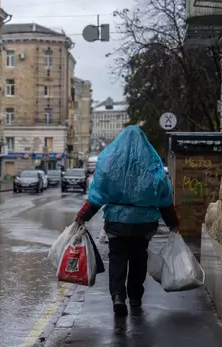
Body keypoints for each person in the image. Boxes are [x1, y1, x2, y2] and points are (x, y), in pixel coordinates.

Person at [74, 125, 179, 316]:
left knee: (117, 259)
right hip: (144, 223)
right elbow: (164, 198)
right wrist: (173, 223)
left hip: (117, 223)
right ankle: (136, 297)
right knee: (139, 258)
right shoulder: (151, 164)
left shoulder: (111, 164)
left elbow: (97, 195)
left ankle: (118, 297)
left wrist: (83, 216)